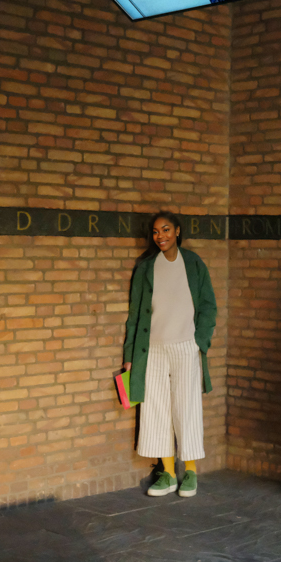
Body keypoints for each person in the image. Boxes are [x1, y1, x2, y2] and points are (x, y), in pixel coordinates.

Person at [120, 211, 217, 498]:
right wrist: (130, 354)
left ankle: (191, 472)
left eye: (165, 229)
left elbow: (208, 306)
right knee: (155, 409)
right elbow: (135, 316)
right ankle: (168, 474)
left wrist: (200, 341)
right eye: (155, 231)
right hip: (152, 351)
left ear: (177, 231)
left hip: (186, 346)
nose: (160, 236)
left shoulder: (194, 263)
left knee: (187, 408)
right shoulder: (145, 268)